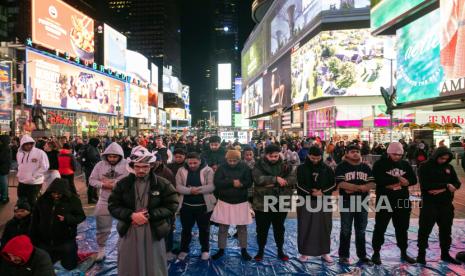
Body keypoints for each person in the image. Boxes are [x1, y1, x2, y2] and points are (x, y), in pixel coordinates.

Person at [108, 146, 178, 276]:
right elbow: (113, 205)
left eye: (145, 167)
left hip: (153, 230)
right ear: (132, 166)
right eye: (138, 166)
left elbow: (172, 204)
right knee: (129, 262)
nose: (141, 170)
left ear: (151, 166)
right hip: (129, 229)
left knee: (154, 263)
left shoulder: (163, 183)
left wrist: (150, 215)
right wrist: (131, 215)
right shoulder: (122, 184)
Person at [371, 142, 417, 265]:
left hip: (402, 199)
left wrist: (405, 182)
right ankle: (376, 252)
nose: (397, 157)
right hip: (384, 199)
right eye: (395, 154)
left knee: (403, 228)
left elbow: (413, 179)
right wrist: (398, 180)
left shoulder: (405, 164)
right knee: (380, 226)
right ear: (389, 153)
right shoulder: (380, 164)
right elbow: (378, 179)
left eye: (400, 154)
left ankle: (403, 252)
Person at [417, 146, 462, 265]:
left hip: (446, 204)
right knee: (425, 230)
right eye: (441, 158)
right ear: (436, 155)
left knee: (446, 230)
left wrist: (444, 188)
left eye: (446, 159)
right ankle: (421, 255)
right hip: (429, 204)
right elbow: (426, 185)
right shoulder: (425, 166)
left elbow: (457, 183)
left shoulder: (449, 167)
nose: (443, 160)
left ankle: (445, 254)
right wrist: (447, 186)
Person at [252, 144, 296, 262]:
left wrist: (270, 183)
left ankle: (280, 251)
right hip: (262, 202)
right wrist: (276, 179)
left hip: (280, 201)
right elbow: (257, 179)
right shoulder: (259, 165)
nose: (273, 158)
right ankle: (260, 251)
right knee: (262, 228)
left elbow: (292, 180)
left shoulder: (286, 165)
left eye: (276, 156)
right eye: (271, 156)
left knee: (279, 228)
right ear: (266, 155)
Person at [30, 178, 85, 270]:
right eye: (53, 193)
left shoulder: (73, 200)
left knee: (70, 268)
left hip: (65, 241)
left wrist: (67, 218)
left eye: (59, 193)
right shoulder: (42, 200)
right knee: (43, 268)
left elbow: (81, 216)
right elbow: (35, 219)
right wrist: (33, 238)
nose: (56, 195)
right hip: (45, 241)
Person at [335, 144, 375, 265]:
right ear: (347, 153)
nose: (355, 153)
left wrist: (353, 188)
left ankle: (362, 255)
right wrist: (361, 187)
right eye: (352, 151)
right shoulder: (341, 166)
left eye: (357, 151)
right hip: (346, 201)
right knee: (346, 229)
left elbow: (372, 183)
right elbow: (341, 184)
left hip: (362, 202)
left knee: (361, 230)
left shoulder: (366, 167)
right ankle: (343, 255)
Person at [89, 142, 129, 262]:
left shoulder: (127, 165)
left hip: (123, 201)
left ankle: (126, 249)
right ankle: (101, 249)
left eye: (115, 156)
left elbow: (131, 181)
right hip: (104, 200)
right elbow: (91, 180)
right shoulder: (99, 165)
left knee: (125, 226)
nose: (112, 159)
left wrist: (116, 185)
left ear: (120, 156)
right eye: (110, 156)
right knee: (102, 226)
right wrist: (103, 184)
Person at [211, 150, 253, 261]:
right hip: (225, 200)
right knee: (223, 228)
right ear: (226, 159)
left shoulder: (245, 167)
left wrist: (241, 184)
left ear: (239, 160)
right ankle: (221, 250)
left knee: (242, 228)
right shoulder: (221, 168)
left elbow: (249, 182)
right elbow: (217, 182)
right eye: (230, 160)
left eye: (235, 160)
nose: (232, 163)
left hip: (241, 201)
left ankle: (244, 250)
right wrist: (232, 182)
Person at [296, 146, 336, 263]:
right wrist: (311, 192)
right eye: (313, 158)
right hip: (305, 200)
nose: (315, 160)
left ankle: (324, 252)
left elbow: (333, 184)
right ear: (308, 155)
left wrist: (322, 192)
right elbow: (298, 184)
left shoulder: (327, 169)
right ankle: (304, 252)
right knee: (305, 226)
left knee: (325, 226)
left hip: (323, 200)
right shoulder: (301, 168)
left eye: (318, 158)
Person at [175, 152, 216, 261]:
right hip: (186, 206)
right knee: (186, 229)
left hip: (203, 206)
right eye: (190, 163)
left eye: (195, 163)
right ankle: (184, 249)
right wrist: (190, 190)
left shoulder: (208, 170)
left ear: (200, 161)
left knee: (204, 230)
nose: (192, 165)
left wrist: (194, 190)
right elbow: (178, 187)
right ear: (187, 162)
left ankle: (205, 250)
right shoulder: (181, 170)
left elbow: (211, 187)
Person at [16, 135, 49, 208]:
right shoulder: (19, 153)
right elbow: (20, 165)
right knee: (21, 201)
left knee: (32, 202)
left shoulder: (40, 153)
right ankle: (24, 218)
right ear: (22, 145)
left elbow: (45, 166)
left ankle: (33, 217)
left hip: (35, 183)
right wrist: (20, 174)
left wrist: (34, 176)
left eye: (30, 143)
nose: (29, 146)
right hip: (22, 181)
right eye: (26, 144)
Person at [81, 138, 101, 204]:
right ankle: (91, 198)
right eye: (98, 142)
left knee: (92, 183)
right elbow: (93, 157)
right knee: (91, 183)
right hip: (90, 167)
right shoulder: (91, 148)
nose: (98, 144)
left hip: (89, 167)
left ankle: (94, 197)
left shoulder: (90, 147)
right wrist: (99, 159)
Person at [0, 135, 11, 204]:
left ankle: (4, 197)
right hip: (3, 169)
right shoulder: (5, 147)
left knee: (3, 184)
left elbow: (2, 159)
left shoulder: (5, 148)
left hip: (2, 169)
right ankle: (3, 197)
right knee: (2, 184)